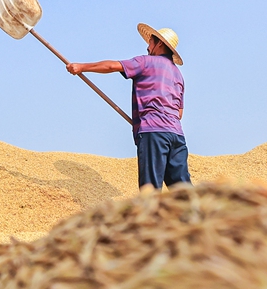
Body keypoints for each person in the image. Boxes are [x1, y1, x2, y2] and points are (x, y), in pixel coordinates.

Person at [66, 24, 190, 190]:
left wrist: (82, 67)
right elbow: (179, 113)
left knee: (150, 190)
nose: (148, 46)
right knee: (183, 191)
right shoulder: (178, 75)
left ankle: (148, 215)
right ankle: (198, 215)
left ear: (159, 43)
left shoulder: (146, 62)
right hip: (176, 135)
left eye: (150, 42)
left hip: (153, 131)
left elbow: (112, 66)